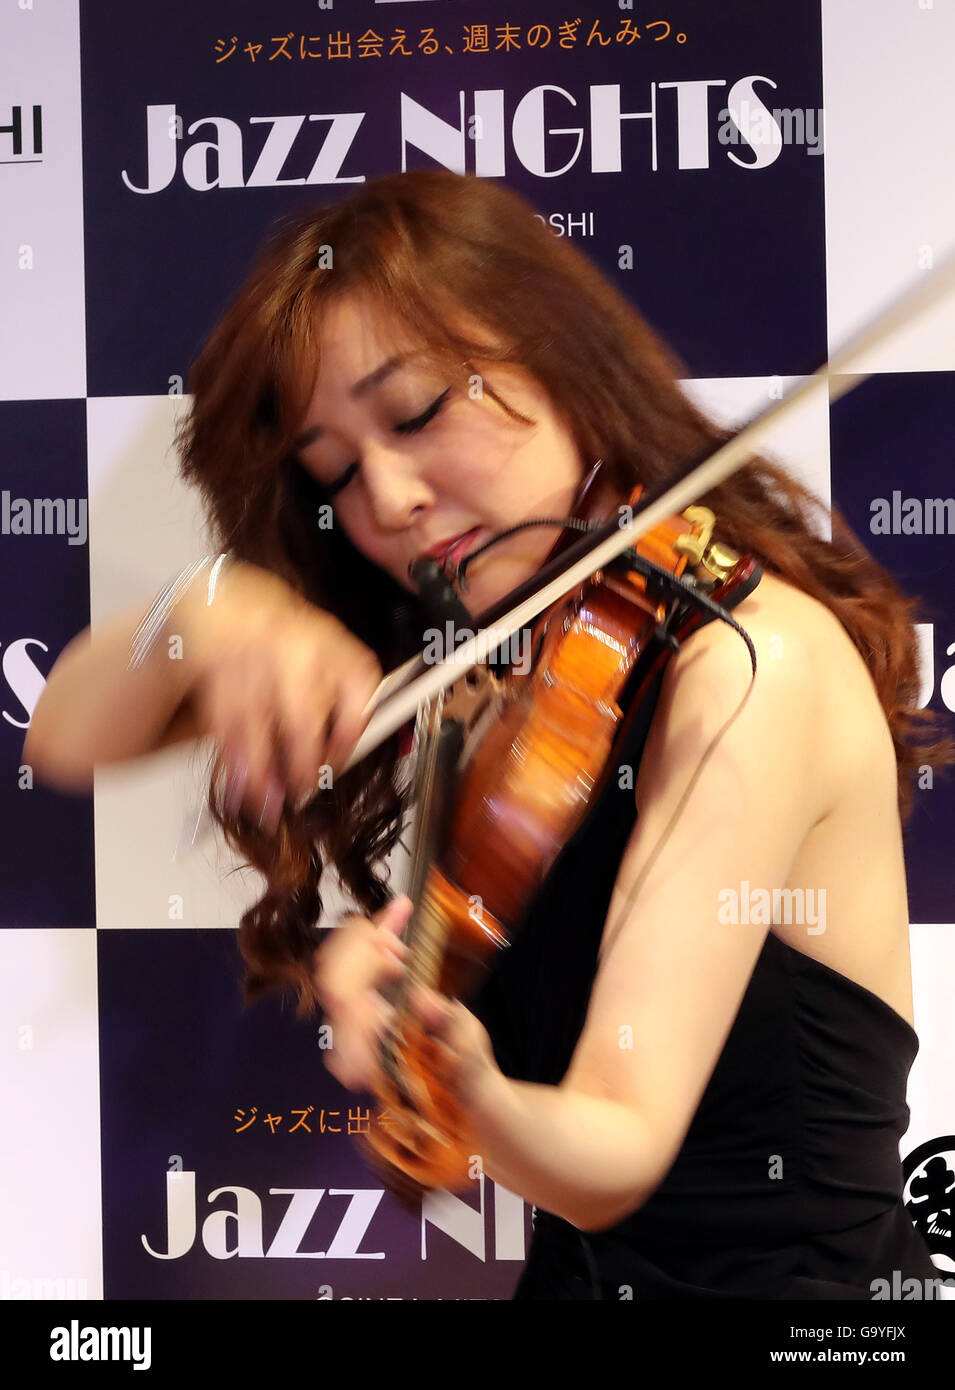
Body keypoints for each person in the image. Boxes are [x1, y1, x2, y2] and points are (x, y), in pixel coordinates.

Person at [23, 169, 951, 1300]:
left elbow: (617, 1140)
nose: (390, 497)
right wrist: (204, 608)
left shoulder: (755, 665)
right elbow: (64, 733)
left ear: (560, 358)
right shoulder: (490, 664)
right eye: (336, 471)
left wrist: (470, 1084)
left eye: (417, 411)